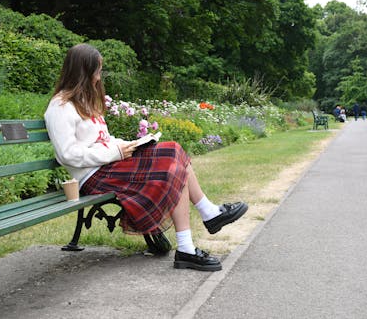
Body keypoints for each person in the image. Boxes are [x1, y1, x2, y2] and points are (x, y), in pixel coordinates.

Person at [44, 44, 248, 272]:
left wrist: (126, 145)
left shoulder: (84, 102)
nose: (99, 77)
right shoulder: (60, 107)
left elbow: (103, 139)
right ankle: (199, 229)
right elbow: (67, 154)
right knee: (173, 157)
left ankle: (196, 234)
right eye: (97, 71)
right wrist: (116, 152)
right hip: (93, 176)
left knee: (175, 153)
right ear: (82, 72)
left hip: (109, 165)